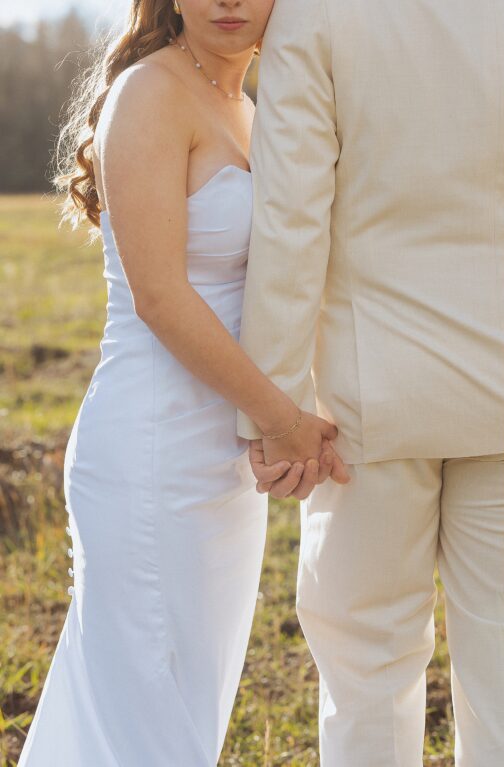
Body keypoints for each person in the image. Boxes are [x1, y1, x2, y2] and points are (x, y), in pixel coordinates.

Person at [18, 1, 344, 764]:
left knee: (186, 708)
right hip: (150, 451)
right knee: (148, 716)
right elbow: (160, 297)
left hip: (221, 461)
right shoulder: (150, 92)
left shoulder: (252, 110)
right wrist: (281, 418)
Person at [235, 0, 504, 764]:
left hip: (371, 397)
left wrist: (277, 408)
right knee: (501, 667)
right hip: (502, 389)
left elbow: (291, 220)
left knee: (368, 669)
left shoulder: (311, 15)